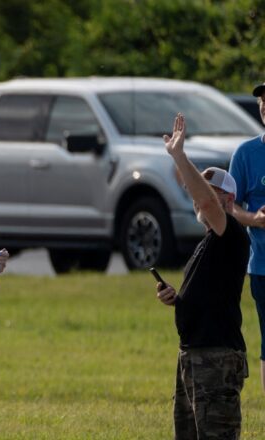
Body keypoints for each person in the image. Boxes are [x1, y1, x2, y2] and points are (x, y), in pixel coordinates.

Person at [156, 114, 248, 439]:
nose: (198, 197)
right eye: (197, 190)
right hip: (193, 355)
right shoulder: (207, 243)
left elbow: (209, 203)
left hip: (216, 358)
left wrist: (179, 156)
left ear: (229, 200)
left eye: (208, 192)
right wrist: (176, 299)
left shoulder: (232, 232)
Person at [229, 81, 265, 395]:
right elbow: (229, 205)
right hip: (262, 267)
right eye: (263, 100)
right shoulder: (246, 153)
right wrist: (255, 219)